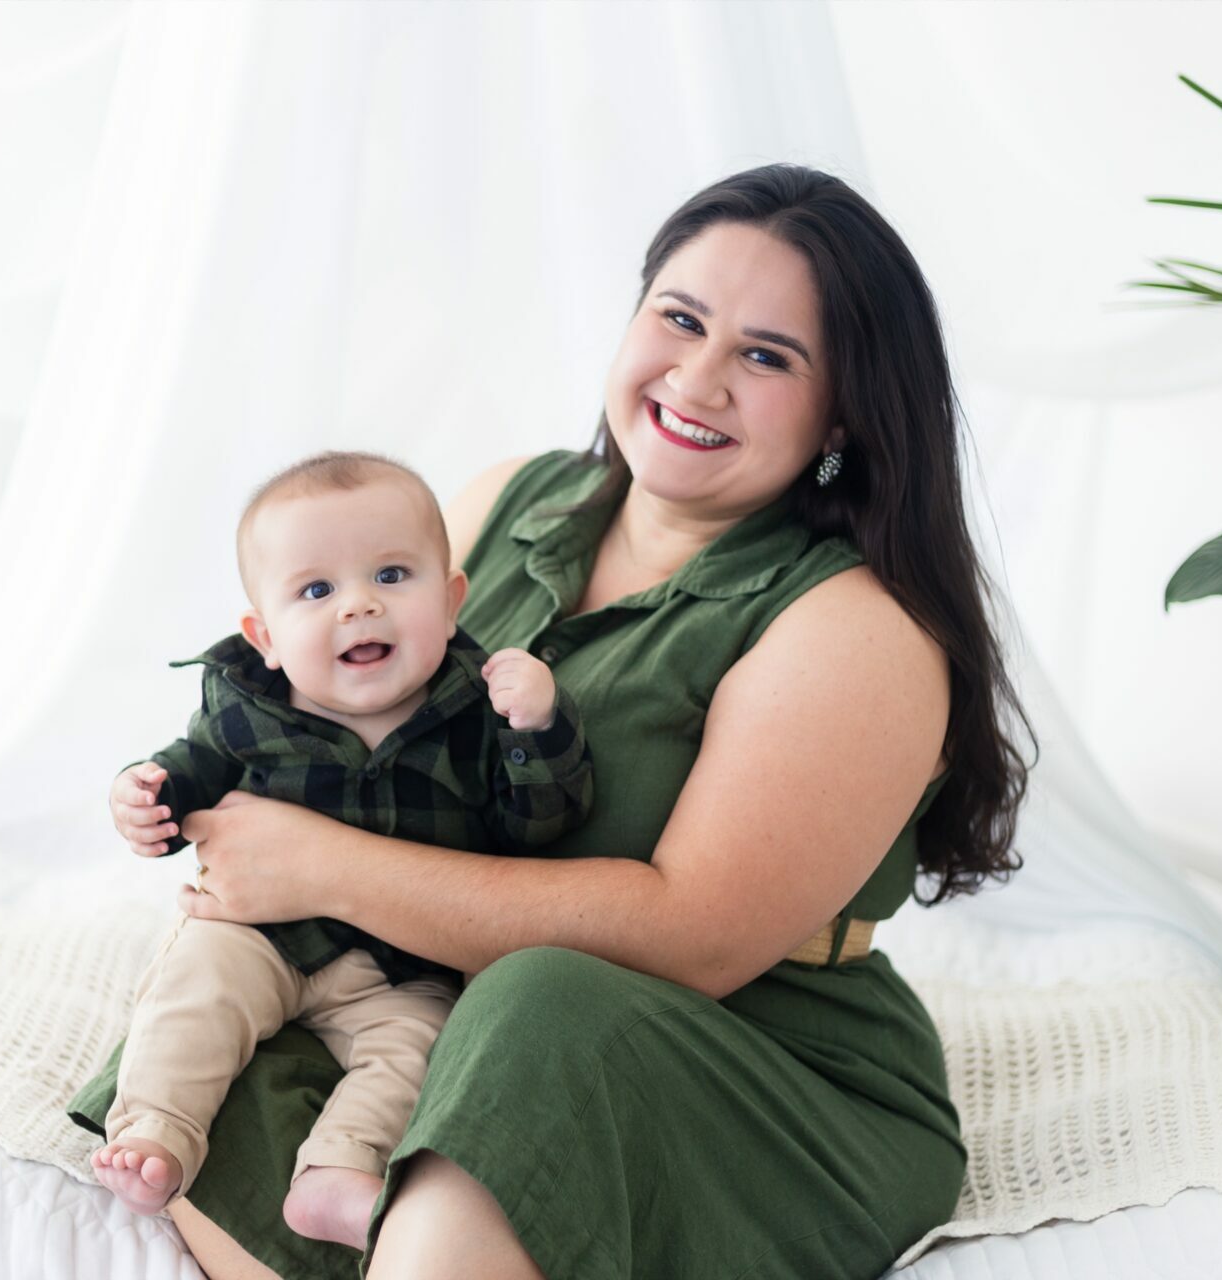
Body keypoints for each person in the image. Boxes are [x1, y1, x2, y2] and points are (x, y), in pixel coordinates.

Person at [113, 162, 1035, 1280]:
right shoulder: (508, 499)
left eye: (766, 356)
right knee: (201, 1034)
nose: (697, 378)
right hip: (438, 1010)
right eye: (679, 319)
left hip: (756, 1063)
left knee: (537, 998)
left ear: (843, 411)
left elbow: (696, 936)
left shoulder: (854, 629)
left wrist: (321, 867)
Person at [81, 451, 596, 1249]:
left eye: (391, 575)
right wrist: (146, 798)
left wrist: (539, 727)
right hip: (261, 933)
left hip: (402, 963)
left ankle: (338, 1172)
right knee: (194, 987)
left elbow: (536, 826)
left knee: (420, 1050)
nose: (359, 605)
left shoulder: (477, 711)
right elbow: (188, 774)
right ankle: (156, 1129)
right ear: (266, 636)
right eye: (317, 591)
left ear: (450, 602)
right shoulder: (244, 706)